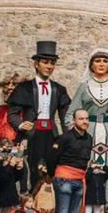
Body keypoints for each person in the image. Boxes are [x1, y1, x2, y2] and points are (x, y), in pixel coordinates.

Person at [7, 41, 71, 192]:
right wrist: (21, 124)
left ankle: (47, 206)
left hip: (51, 134)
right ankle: (28, 203)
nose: (49, 66)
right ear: (36, 64)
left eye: (52, 63)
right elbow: (12, 115)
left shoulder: (59, 89)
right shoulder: (25, 88)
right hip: (31, 135)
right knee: (30, 170)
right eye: (45, 62)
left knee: (50, 169)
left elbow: (65, 118)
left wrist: (68, 138)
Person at [68, 48, 108, 202]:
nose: (101, 64)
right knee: (87, 168)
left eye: (105, 61)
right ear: (91, 64)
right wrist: (74, 135)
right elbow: (70, 113)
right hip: (88, 130)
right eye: (98, 60)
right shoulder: (84, 86)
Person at [41, 109, 92, 213]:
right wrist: (51, 175)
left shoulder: (89, 138)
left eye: (87, 118)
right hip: (64, 178)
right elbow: (51, 157)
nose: (85, 121)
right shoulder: (65, 138)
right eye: (81, 118)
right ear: (74, 121)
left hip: (79, 180)